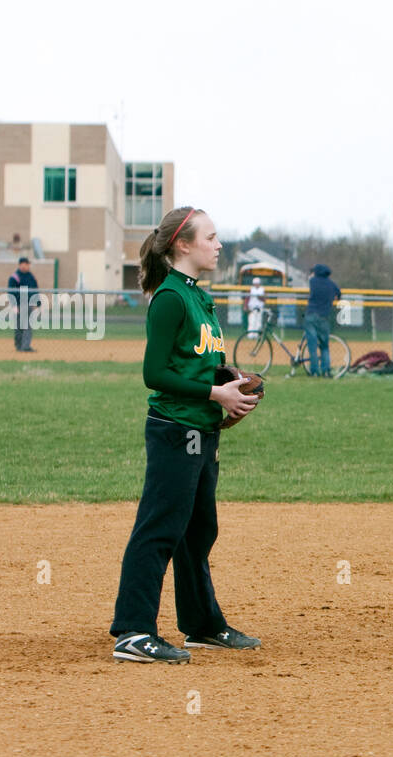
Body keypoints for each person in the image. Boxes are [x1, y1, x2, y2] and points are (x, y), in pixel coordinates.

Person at [109, 206, 262, 664]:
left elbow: (192, 362)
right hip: (175, 429)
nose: (218, 246)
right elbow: (154, 373)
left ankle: (202, 624)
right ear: (183, 244)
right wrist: (216, 392)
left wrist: (225, 379)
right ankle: (133, 631)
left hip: (201, 430)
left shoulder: (198, 298)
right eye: (211, 238)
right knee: (159, 528)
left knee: (197, 532)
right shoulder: (171, 298)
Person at [305, 264, 340, 377]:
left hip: (311, 315)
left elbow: (310, 278)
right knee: (324, 345)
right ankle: (326, 370)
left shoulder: (313, 281)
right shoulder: (331, 284)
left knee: (312, 345)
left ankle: (314, 371)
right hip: (324, 316)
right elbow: (338, 294)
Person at [7, 256, 39, 352]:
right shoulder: (15, 277)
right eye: (25, 264)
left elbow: (35, 290)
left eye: (28, 264)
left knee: (27, 326)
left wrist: (38, 303)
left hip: (29, 304)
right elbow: (11, 292)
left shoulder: (30, 276)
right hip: (19, 304)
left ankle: (25, 346)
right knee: (19, 327)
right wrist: (14, 305)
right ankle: (19, 345)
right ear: (21, 265)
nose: (27, 266)